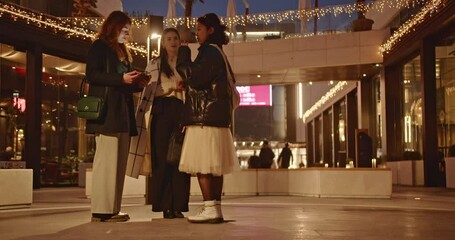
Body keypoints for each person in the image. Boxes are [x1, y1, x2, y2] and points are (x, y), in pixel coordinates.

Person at [85, 11, 148, 222]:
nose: (127, 33)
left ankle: (113, 208)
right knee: (106, 163)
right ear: (113, 27)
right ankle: (101, 210)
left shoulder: (123, 51)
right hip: (107, 113)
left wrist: (136, 83)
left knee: (119, 164)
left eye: (128, 30)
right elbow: (92, 75)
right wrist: (121, 78)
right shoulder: (99, 46)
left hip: (122, 113)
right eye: (123, 29)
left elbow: (122, 82)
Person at [177, 13, 239, 224]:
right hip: (217, 119)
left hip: (205, 117)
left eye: (200, 29)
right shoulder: (219, 53)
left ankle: (209, 207)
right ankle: (215, 208)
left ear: (211, 30)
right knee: (215, 167)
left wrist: (183, 52)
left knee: (203, 166)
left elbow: (194, 76)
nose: (197, 32)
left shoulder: (209, 53)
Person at [148, 28, 190, 219]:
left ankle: (179, 205)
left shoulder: (186, 64)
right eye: (169, 39)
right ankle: (165, 205)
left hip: (181, 111)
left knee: (180, 160)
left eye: (175, 38)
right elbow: (149, 91)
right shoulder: (155, 64)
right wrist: (172, 87)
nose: (173, 42)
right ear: (163, 43)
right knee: (163, 158)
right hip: (162, 111)